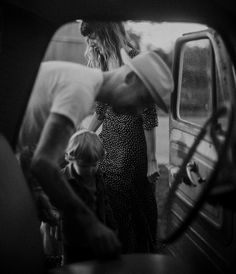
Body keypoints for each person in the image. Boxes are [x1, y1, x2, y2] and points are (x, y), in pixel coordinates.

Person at [17, 42, 174, 260]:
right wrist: (91, 225)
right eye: (142, 100)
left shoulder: (86, 83)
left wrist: (36, 193)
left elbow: (27, 143)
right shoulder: (80, 91)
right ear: (129, 79)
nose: (139, 111)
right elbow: (43, 164)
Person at [81, 21, 160, 253]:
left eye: (93, 37)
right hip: (109, 145)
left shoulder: (135, 61)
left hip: (133, 147)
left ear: (107, 33)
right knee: (113, 207)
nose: (90, 43)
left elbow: (149, 114)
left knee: (137, 206)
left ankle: (141, 254)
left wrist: (152, 159)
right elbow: (101, 110)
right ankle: (121, 253)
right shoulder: (106, 63)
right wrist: (83, 133)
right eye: (88, 38)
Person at [61, 129, 117, 263]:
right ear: (71, 158)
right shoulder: (61, 179)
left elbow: (104, 202)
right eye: (84, 166)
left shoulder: (98, 177)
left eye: (94, 165)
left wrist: (112, 227)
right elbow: (51, 202)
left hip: (97, 236)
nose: (91, 170)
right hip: (74, 240)